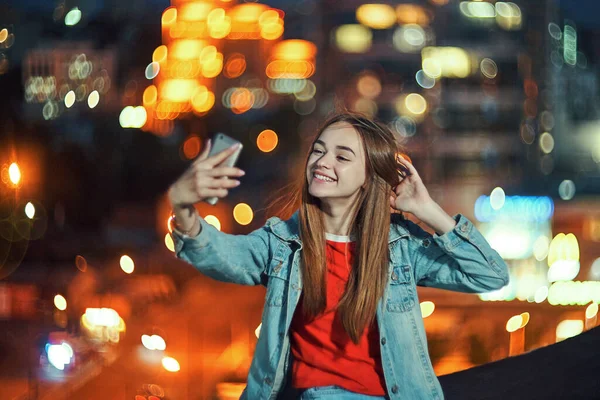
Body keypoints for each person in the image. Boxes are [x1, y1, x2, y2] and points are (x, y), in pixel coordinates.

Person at [167, 113, 510, 400]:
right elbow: (220, 254)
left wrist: (427, 210)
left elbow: (490, 275)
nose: (322, 162)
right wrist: (182, 205)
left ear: (369, 178)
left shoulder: (400, 246)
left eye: (342, 157)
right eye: (318, 151)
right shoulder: (283, 244)